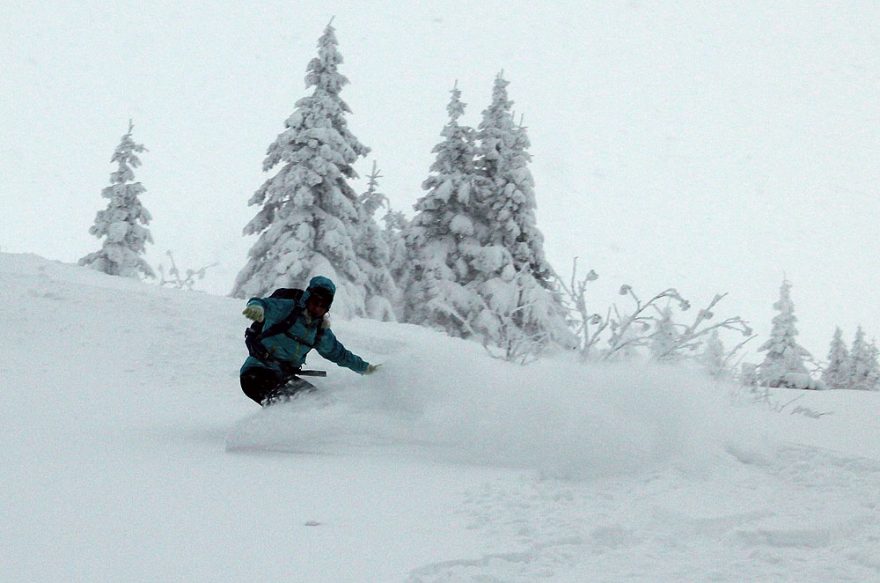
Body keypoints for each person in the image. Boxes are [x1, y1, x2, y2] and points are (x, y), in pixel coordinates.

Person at [239, 275, 379, 406]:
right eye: (315, 302)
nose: (317, 307)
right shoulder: (287, 309)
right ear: (307, 298)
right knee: (302, 404)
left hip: (281, 376)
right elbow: (263, 304)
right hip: (256, 373)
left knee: (318, 403)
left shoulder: (319, 331)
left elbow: (340, 355)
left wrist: (367, 369)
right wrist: (256, 307)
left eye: (323, 305)